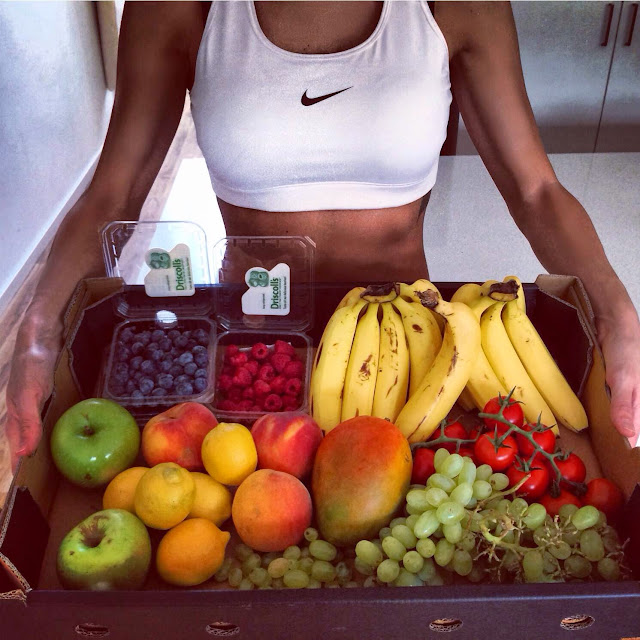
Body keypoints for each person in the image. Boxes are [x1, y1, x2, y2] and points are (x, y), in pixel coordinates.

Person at [5, 1, 640, 471]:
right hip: (252, 357)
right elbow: (110, 195)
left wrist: (617, 312)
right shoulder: (181, 7)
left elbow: (537, 191)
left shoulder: (456, 6)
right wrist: (37, 329)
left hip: (407, 359)